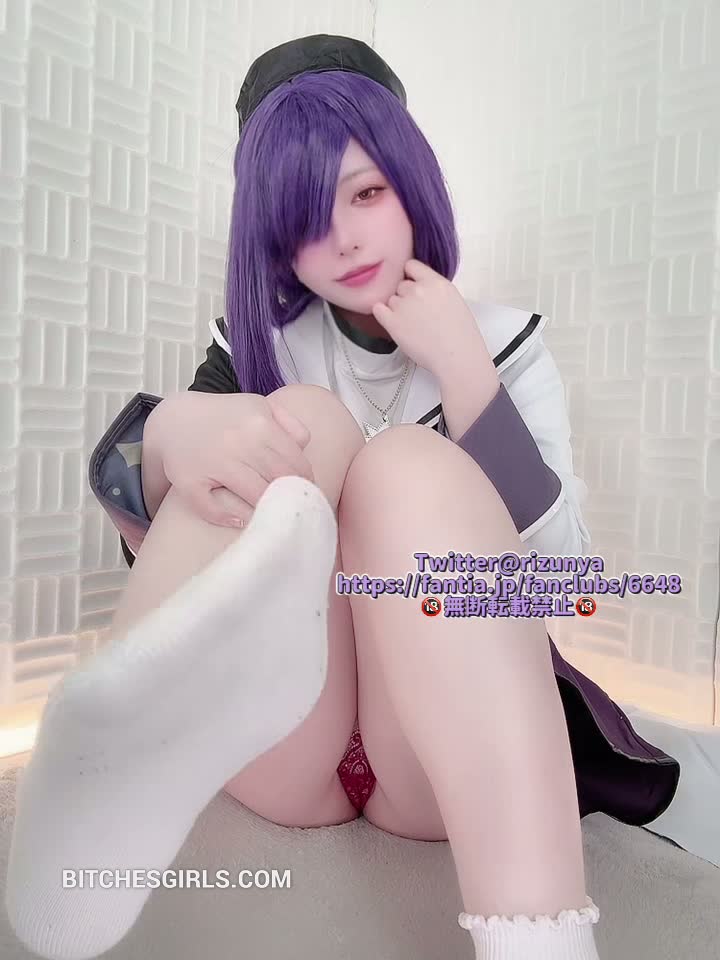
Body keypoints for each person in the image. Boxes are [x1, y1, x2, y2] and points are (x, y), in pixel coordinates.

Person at [5, 34, 680, 960]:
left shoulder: (504, 344)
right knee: (301, 423)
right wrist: (165, 436)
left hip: (436, 756)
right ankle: (101, 769)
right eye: (301, 218)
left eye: (366, 194)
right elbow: (169, 536)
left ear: (414, 181)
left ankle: (540, 939)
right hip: (286, 741)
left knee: (403, 467)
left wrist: (467, 375)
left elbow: (562, 581)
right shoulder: (258, 347)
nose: (344, 240)